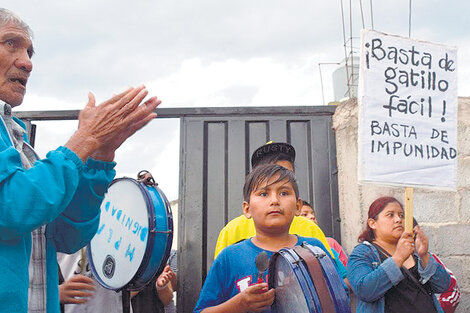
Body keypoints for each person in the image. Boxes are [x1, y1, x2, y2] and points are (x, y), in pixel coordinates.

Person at [0, 8, 160, 313]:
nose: (27, 62)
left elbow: (66, 235)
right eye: (11, 43)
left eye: (29, 51)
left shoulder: (16, 137)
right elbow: (13, 206)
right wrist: (83, 141)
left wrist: (98, 158)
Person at [194, 164, 347, 313]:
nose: (274, 200)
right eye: (263, 194)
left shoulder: (314, 249)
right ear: (247, 209)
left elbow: (339, 298)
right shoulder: (229, 258)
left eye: (284, 193)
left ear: (298, 207)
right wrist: (238, 305)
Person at [214, 141, 333, 258]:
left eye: (287, 174)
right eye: (264, 193)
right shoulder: (232, 231)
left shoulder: (310, 229)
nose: (274, 200)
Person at [347, 196, 451, 313]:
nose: (398, 220)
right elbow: (364, 291)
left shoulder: (414, 250)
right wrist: (398, 258)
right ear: (372, 223)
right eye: (390, 215)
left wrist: (424, 256)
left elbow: (444, 285)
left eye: (401, 215)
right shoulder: (363, 253)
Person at [300, 200, 348, 266]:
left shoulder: (330, 243)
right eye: (305, 214)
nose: (312, 217)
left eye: (313, 213)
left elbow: (346, 270)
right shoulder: (294, 246)